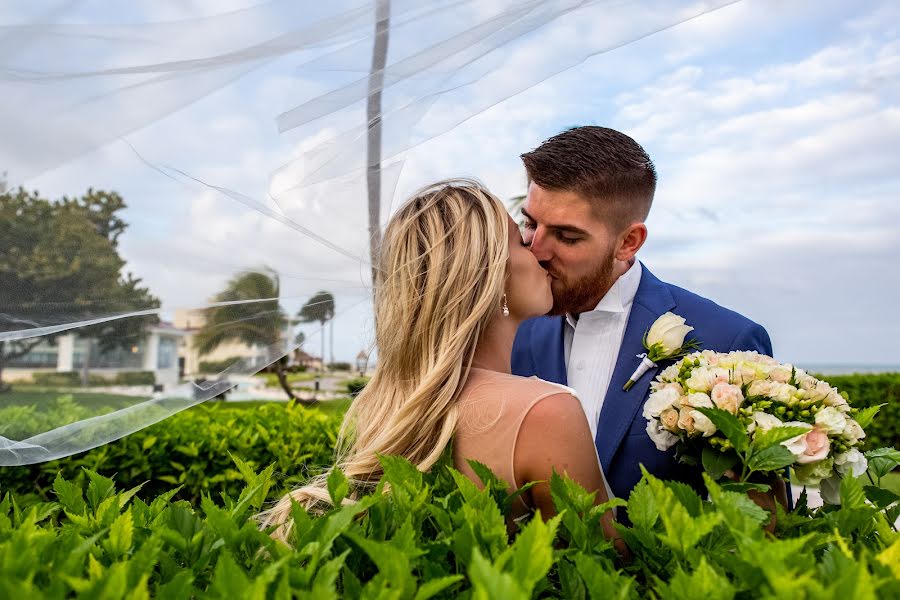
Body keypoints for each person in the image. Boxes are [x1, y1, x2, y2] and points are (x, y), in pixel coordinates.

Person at [259, 179, 620, 547]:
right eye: (520, 241)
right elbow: (609, 572)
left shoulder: (392, 406)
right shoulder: (544, 412)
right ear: (491, 276)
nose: (539, 251)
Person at [511, 126, 779, 505]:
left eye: (567, 237)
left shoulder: (729, 343)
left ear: (628, 242)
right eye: (531, 223)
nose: (536, 250)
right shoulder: (512, 331)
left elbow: (759, 518)